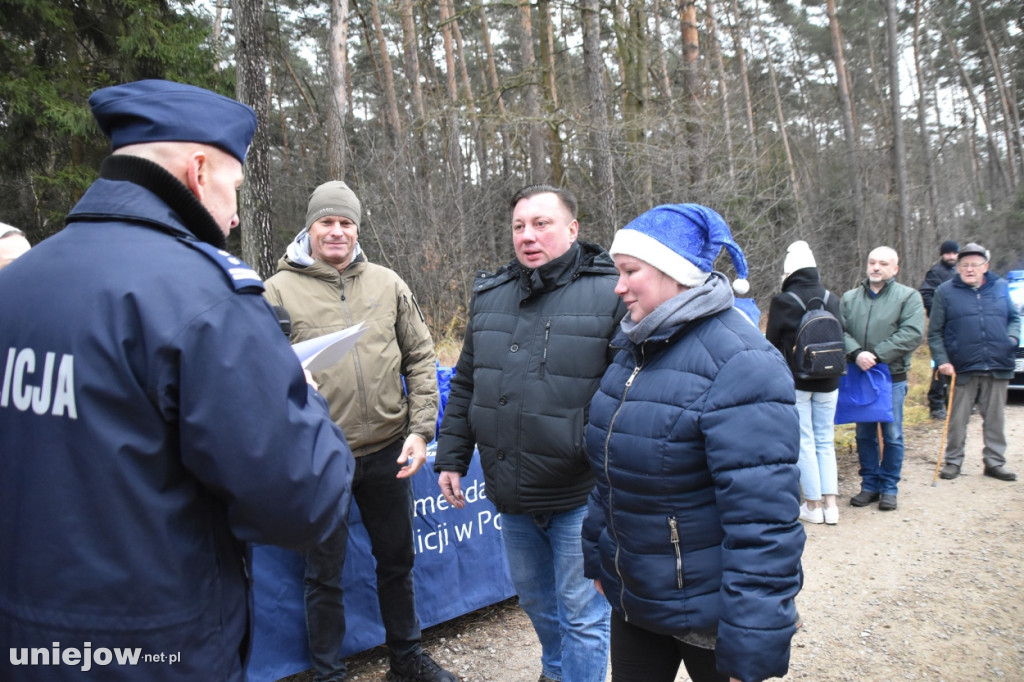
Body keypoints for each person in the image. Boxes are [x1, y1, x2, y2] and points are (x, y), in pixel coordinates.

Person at [0, 79, 355, 682]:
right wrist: (299, 395)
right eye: (233, 186)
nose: (236, 212)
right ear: (197, 170)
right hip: (154, 646)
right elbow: (302, 501)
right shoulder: (204, 296)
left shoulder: (19, 283)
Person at [582, 204, 804, 682]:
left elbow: (763, 521)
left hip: (712, 614)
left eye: (629, 272)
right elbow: (608, 475)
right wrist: (599, 560)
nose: (617, 287)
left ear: (674, 273)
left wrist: (754, 630)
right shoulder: (633, 351)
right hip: (636, 597)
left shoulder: (742, 365)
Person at [264, 181, 454, 682]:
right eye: (326, 221)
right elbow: (254, 371)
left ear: (357, 229)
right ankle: (329, 673)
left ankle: (406, 660)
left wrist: (420, 430)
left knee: (397, 562)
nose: (337, 231)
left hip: (391, 448)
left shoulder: (388, 283)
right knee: (323, 574)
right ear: (310, 227)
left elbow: (420, 358)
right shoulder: (276, 290)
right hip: (321, 456)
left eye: (346, 222)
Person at [434, 184, 625, 682]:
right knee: (538, 604)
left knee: (583, 615)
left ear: (573, 229)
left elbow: (627, 395)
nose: (528, 236)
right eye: (519, 226)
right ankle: (556, 670)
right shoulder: (491, 295)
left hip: (580, 492)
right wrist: (452, 456)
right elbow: (467, 383)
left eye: (541, 223)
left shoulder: (611, 292)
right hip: (511, 491)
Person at [840, 246, 926, 512]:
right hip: (858, 373)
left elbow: (911, 333)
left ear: (895, 269)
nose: (876, 267)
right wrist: (856, 353)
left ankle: (889, 487)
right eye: (872, 262)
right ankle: (869, 485)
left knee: (893, 434)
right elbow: (838, 329)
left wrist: (875, 354)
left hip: (891, 375)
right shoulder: (849, 298)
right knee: (864, 433)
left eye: (883, 264)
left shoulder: (908, 297)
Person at [766, 240, 843, 525]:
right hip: (830, 379)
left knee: (805, 441)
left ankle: (812, 505)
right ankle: (831, 506)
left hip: (797, 380)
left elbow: (771, 345)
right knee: (825, 439)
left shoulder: (783, 301)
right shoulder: (832, 298)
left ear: (789, 271)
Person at [930, 243, 1019, 482]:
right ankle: (953, 461)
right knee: (957, 419)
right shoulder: (945, 292)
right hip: (961, 367)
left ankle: (995, 462)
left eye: (975, 264)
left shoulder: (1000, 286)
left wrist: (1012, 338)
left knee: (995, 419)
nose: (970, 269)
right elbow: (935, 332)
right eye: (964, 265)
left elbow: (1014, 317)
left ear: (985, 266)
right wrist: (942, 361)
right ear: (958, 267)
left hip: (998, 362)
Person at [919, 240, 959, 419]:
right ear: (942, 254)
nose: (951, 256)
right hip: (940, 329)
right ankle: (935, 405)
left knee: (956, 365)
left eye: (954, 253)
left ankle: (953, 403)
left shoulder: (958, 271)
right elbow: (926, 293)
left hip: (957, 327)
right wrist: (937, 313)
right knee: (938, 365)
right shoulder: (936, 272)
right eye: (948, 253)